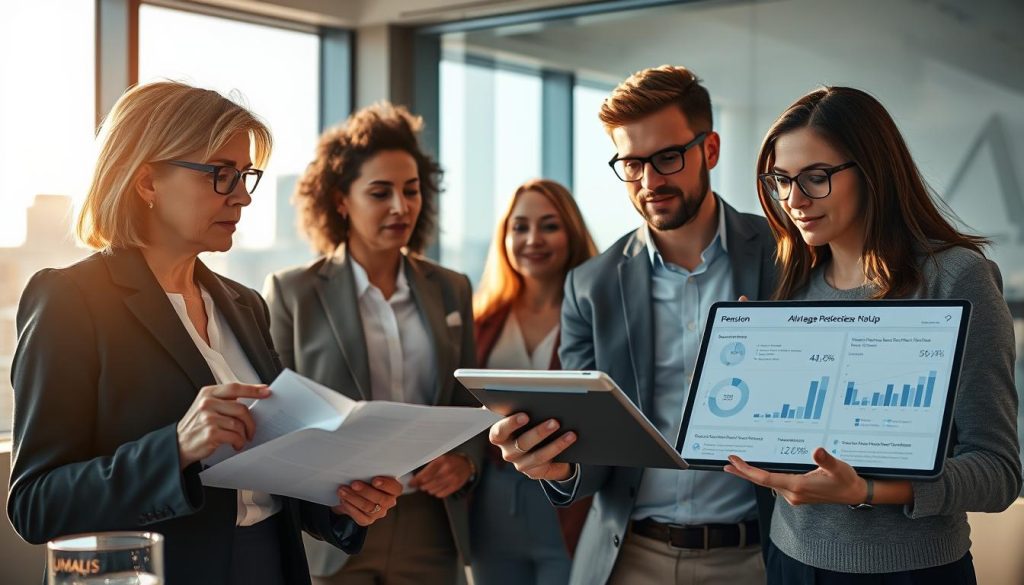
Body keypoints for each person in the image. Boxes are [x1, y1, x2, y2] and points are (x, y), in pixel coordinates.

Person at [6, 81, 401, 585]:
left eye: (246, 176)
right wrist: (174, 448)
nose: (242, 197)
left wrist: (342, 502)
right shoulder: (70, 300)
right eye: (221, 175)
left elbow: (271, 478)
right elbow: (37, 505)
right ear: (147, 182)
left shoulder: (243, 304)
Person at [488, 65, 777, 585]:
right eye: (631, 163)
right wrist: (558, 465)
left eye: (668, 157)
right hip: (629, 557)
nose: (650, 181)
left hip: (758, 555)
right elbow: (593, 445)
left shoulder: (785, 258)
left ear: (709, 150)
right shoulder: (589, 287)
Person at [722, 86, 1021, 585]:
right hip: (788, 560)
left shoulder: (955, 278)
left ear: (872, 171)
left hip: (908, 572)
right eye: (780, 180)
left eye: (816, 178)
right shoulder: (791, 284)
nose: (794, 200)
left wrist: (867, 490)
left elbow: (999, 473)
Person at [263, 102, 483, 585]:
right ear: (341, 200)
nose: (400, 207)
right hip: (334, 525)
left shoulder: (452, 289)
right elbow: (276, 418)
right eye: (380, 193)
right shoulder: (292, 292)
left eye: (411, 191)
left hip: (432, 523)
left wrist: (465, 461)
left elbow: (469, 401)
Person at [470, 179, 598, 585]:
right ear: (504, 236)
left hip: (568, 496)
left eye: (549, 225)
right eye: (520, 227)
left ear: (572, 233)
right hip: (492, 498)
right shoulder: (483, 321)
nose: (532, 239)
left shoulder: (596, 316)